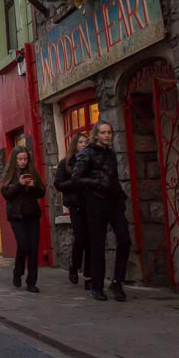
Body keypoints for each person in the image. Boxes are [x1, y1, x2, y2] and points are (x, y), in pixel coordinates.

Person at [72, 121, 132, 302]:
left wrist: (120, 197)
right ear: (96, 135)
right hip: (96, 203)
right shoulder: (86, 154)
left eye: (109, 133)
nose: (107, 136)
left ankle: (117, 281)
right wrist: (95, 183)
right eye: (103, 133)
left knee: (125, 240)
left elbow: (113, 177)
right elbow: (76, 177)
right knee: (98, 245)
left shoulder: (111, 154)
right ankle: (97, 286)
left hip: (113, 202)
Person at [1, 146, 46, 293]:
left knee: (33, 249)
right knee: (24, 245)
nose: (23, 162)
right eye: (20, 159)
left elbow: (42, 192)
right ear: (14, 160)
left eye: (25, 159)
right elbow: (7, 195)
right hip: (16, 216)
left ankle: (31, 282)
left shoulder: (32, 173)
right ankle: (18, 271)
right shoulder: (9, 175)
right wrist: (19, 185)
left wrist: (33, 186)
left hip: (32, 215)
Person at [54, 133, 91, 288]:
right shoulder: (66, 163)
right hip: (75, 205)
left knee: (91, 240)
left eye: (85, 142)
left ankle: (89, 276)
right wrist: (74, 183)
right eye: (80, 142)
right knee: (81, 238)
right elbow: (58, 184)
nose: (83, 144)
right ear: (75, 144)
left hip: (90, 204)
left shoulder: (90, 161)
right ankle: (74, 267)